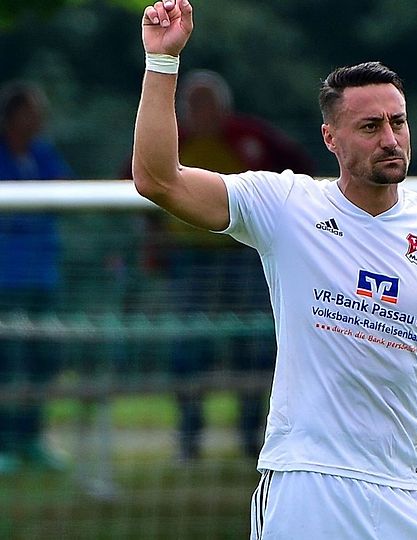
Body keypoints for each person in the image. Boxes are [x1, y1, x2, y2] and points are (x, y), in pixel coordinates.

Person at [133, 1, 417, 539]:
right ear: (330, 138)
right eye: (370, 126)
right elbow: (159, 179)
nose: (390, 138)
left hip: (402, 488)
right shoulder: (286, 205)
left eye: (398, 121)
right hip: (305, 479)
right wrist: (162, 63)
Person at [128, 68, 318, 461]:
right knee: (187, 349)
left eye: (208, 103)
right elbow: (137, 181)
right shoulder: (171, 140)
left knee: (252, 346)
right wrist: (152, 242)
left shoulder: (252, 138)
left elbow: (302, 172)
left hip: (243, 258)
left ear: (225, 108)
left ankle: (253, 435)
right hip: (187, 264)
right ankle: (189, 437)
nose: (201, 111)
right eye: (193, 104)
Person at [0, 81, 73, 474]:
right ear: (12, 116)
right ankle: (6, 444)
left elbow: (63, 191)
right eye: (31, 112)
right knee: (8, 363)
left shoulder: (43, 154)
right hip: (6, 280)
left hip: (43, 277)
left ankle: (31, 439)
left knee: (43, 360)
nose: (38, 120)